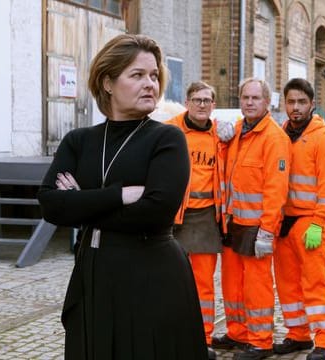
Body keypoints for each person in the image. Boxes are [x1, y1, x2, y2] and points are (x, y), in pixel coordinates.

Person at [37, 34, 208, 360]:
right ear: (108, 82)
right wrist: (119, 195)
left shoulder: (167, 139)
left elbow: (156, 212)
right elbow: (50, 205)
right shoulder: (79, 141)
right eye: (137, 75)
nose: (150, 84)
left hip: (152, 276)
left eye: (154, 75)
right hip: (93, 276)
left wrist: (81, 201)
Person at [211, 78, 291, 360]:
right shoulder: (236, 131)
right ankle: (238, 333)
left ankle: (260, 341)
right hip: (232, 224)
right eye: (245, 97)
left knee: (256, 287)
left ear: (267, 101)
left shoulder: (274, 138)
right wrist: (220, 142)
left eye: (256, 98)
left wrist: (267, 231)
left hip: (256, 227)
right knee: (232, 284)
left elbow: (276, 188)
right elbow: (225, 170)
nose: (249, 102)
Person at [272, 78, 325, 360]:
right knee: (287, 284)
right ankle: (298, 335)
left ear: (312, 104)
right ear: (284, 103)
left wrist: (318, 222)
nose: (295, 107)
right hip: (283, 223)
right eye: (291, 102)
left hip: (309, 222)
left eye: (301, 102)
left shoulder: (323, 138)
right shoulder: (279, 134)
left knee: (316, 283)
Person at [164, 81, 229, 360]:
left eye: (207, 100)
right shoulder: (169, 130)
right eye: (196, 100)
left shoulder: (221, 134)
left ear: (213, 105)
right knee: (170, 282)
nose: (202, 105)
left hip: (205, 217)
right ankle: (170, 336)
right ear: (187, 102)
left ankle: (202, 340)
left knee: (203, 284)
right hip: (174, 217)